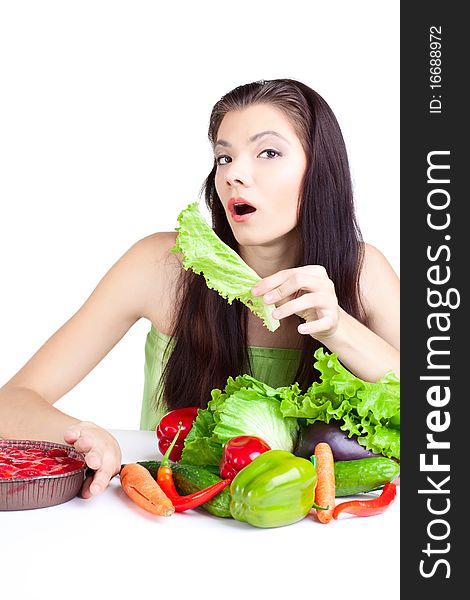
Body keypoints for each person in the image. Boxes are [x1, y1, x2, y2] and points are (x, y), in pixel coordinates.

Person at [0, 78, 400, 498]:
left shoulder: (362, 271)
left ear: (320, 169)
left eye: (268, 152)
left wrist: (339, 330)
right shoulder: (163, 265)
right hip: (170, 514)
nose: (234, 175)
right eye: (224, 157)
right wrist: (80, 435)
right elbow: (13, 401)